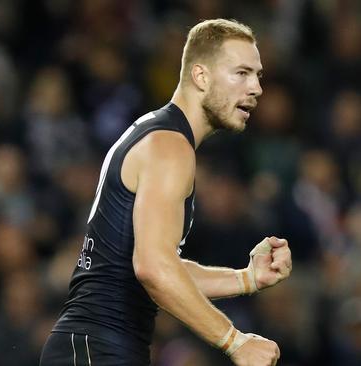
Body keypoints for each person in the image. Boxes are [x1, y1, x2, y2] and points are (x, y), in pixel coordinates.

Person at [40, 18, 292, 366]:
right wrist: (235, 341)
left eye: (258, 75)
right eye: (242, 73)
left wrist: (246, 278)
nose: (256, 88)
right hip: (97, 348)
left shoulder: (158, 133)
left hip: (92, 347)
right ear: (201, 76)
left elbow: (152, 266)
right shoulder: (170, 147)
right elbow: (152, 268)